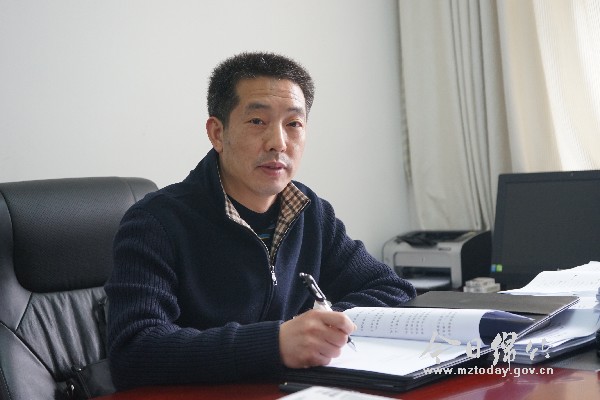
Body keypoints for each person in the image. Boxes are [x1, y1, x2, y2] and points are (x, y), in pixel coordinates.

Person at [105, 52, 416, 390]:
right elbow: (133, 351)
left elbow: (392, 288)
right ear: (217, 133)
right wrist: (275, 343)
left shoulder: (310, 211)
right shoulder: (155, 223)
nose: (278, 143)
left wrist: (319, 327)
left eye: (293, 124)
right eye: (257, 121)